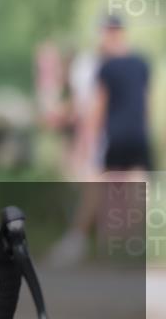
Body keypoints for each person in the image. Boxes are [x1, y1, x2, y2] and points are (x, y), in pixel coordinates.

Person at [46, 15, 155, 267]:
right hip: (139, 134)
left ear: (108, 33)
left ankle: (77, 239)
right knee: (139, 185)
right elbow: (147, 103)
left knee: (96, 185)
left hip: (116, 135)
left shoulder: (106, 67)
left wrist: (88, 146)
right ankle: (136, 243)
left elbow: (98, 108)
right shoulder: (141, 63)